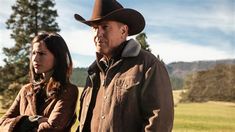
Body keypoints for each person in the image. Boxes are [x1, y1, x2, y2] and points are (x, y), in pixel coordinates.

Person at [74, 0, 174, 131]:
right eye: (94, 28)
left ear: (123, 31)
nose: (98, 34)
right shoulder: (94, 71)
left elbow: (159, 122)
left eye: (104, 27)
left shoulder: (148, 65)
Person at [0, 32, 78, 132]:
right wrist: (31, 121)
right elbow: (3, 123)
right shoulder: (26, 90)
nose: (35, 59)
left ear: (57, 57)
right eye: (33, 53)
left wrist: (18, 126)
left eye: (41, 53)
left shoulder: (68, 91)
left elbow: (51, 128)